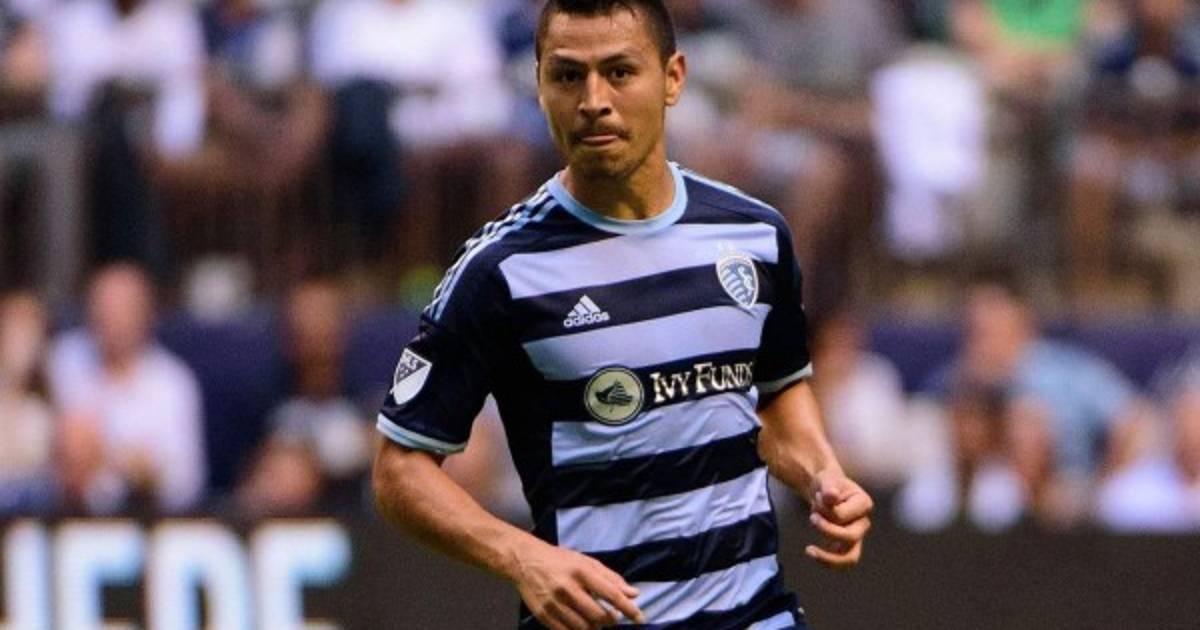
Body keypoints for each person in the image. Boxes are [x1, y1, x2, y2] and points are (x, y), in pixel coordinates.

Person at [371, 2, 873, 628]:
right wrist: (522, 556)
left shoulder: (755, 235)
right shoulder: (500, 270)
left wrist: (823, 475)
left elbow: (774, 397)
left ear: (673, 78)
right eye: (567, 76)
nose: (593, 101)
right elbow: (399, 470)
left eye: (619, 72)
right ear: (539, 86)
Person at [45, 263, 206, 514]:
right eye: (101, 307)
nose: (108, 319)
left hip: (142, 519)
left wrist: (132, 467)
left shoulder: (172, 382)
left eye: (120, 309)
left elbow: (185, 483)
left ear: (146, 316)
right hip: (57, 513)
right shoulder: (62, 360)